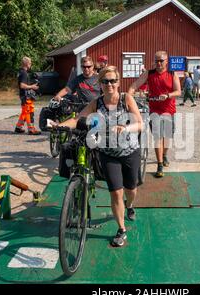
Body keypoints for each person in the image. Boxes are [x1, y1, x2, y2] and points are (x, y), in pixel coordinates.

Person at [51, 66, 143, 247]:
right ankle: (121, 229)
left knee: (130, 189)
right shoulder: (97, 103)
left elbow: (139, 123)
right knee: (116, 192)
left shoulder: (126, 99)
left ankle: (130, 205)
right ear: (100, 84)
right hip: (107, 153)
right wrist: (59, 125)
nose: (110, 84)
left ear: (118, 82)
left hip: (129, 151)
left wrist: (125, 128)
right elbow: (78, 119)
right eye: (105, 81)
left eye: (113, 81)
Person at [128, 51, 181, 178]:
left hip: (169, 110)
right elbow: (136, 84)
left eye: (161, 61)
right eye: (156, 60)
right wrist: (129, 93)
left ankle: (164, 155)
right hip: (154, 111)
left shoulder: (172, 74)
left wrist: (168, 95)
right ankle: (160, 164)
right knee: (158, 137)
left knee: (167, 137)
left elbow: (178, 91)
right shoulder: (149, 73)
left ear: (166, 61)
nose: (158, 63)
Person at [14, 56, 41, 135]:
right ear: (26, 64)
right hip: (26, 96)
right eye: (30, 63)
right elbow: (22, 85)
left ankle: (18, 127)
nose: (31, 64)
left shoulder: (20, 72)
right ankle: (31, 129)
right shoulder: (24, 73)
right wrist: (32, 86)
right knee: (29, 112)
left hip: (23, 95)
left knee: (24, 112)